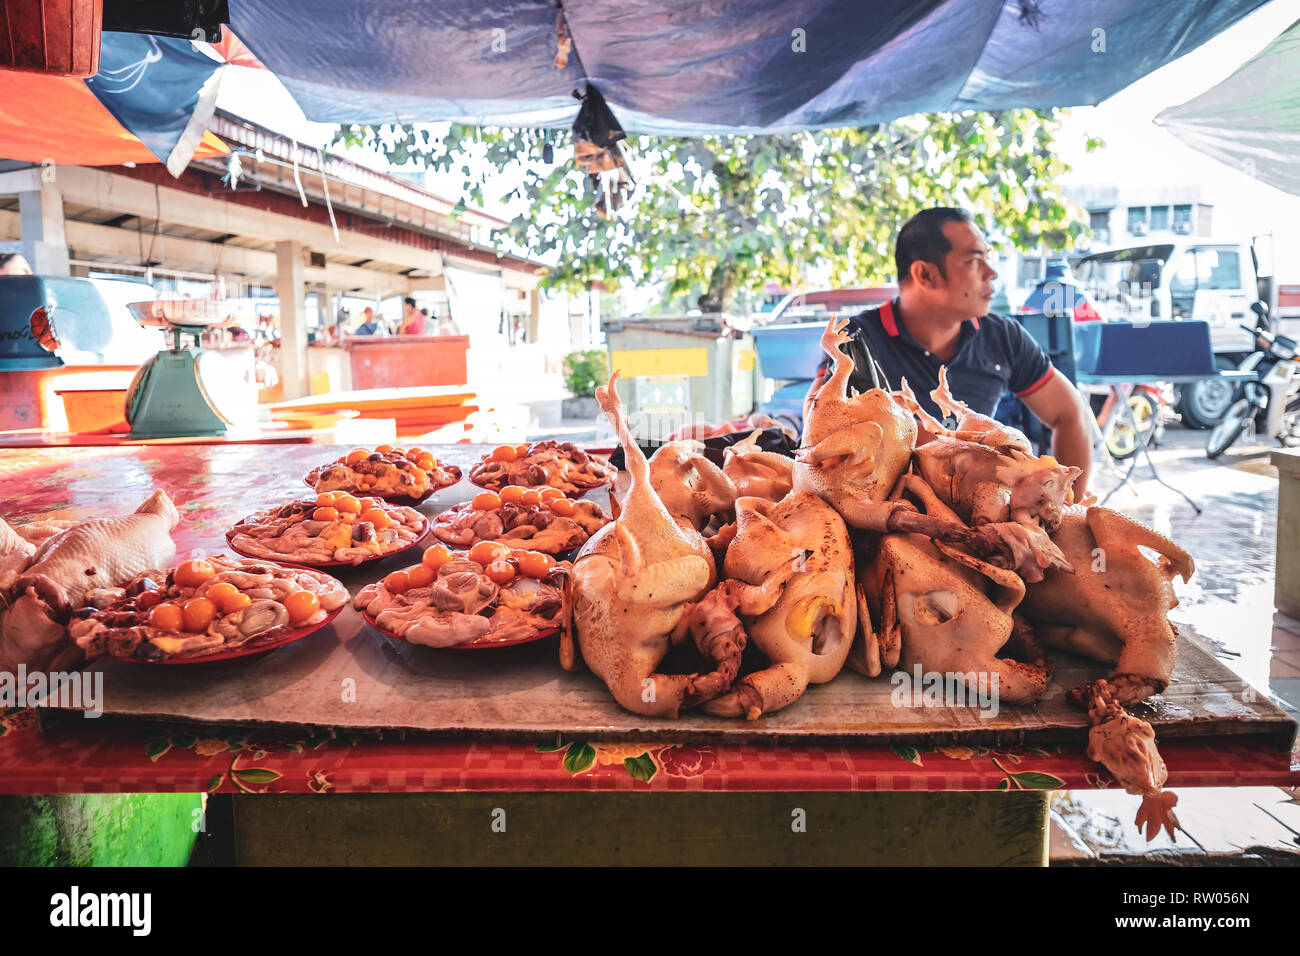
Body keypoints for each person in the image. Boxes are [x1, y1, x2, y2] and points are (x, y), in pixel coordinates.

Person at [807, 207, 1091, 496]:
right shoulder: (854, 340)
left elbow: (1069, 413)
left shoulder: (1002, 337)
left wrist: (1067, 506)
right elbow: (818, 428)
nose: (991, 273)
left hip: (979, 512)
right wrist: (953, 445)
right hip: (880, 513)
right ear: (925, 274)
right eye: (974, 260)